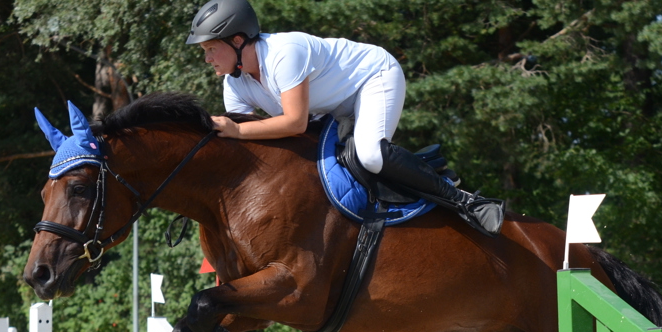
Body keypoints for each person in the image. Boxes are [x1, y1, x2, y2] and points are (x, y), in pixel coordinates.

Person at [186, 0, 506, 237]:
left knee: (369, 153)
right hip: (329, 108)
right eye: (205, 52)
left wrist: (237, 132)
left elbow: (294, 123)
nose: (207, 59)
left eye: (211, 49)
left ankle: (467, 202)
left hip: (372, 78)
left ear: (238, 40)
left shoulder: (284, 52)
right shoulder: (235, 84)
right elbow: (253, 140)